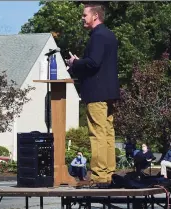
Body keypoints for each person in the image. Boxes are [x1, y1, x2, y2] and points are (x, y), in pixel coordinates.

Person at [66, 3, 120, 186]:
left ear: (95, 16)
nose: (82, 18)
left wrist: (75, 63)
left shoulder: (97, 36)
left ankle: (98, 175)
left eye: (84, 15)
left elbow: (93, 63)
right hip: (109, 92)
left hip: (96, 93)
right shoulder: (110, 35)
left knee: (97, 133)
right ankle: (109, 172)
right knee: (107, 133)